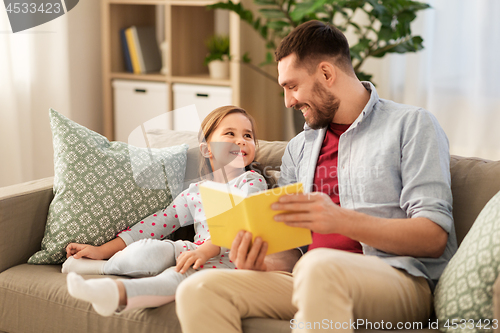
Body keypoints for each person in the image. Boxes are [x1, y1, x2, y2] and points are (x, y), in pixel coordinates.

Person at [175, 20, 457, 332]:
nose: (288, 101)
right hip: (309, 276)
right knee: (199, 290)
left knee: (318, 265)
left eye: (292, 86)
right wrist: (262, 261)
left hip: (398, 280)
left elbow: (434, 237)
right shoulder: (300, 148)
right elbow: (294, 253)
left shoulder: (411, 125)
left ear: (326, 74)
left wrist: (340, 220)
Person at [62, 105, 268, 316]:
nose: (241, 140)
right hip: (194, 251)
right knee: (150, 250)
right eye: (230, 133)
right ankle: (101, 268)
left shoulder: (252, 182)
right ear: (207, 150)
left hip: (232, 262)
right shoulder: (196, 192)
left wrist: (207, 250)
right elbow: (158, 223)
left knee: (175, 277)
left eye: (248, 135)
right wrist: (101, 251)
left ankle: (116, 294)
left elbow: (243, 223)